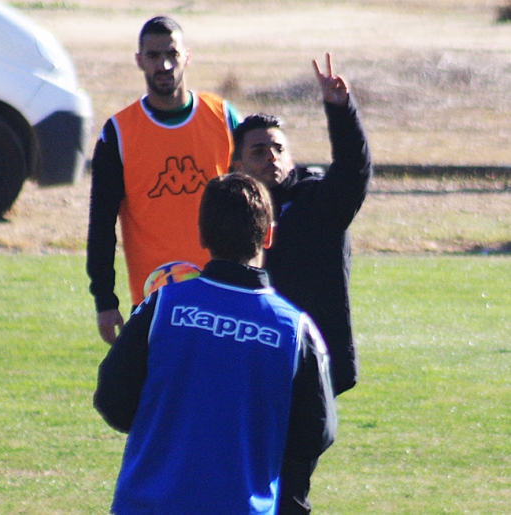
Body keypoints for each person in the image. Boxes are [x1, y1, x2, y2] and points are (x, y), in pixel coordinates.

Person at [94, 173, 337, 514]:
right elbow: (317, 433)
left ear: (202, 234)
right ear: (268, 235)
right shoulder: (296, 329)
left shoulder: (162, 306)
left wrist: (169, 429)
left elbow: (111, 398)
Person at [232, 54, 373, 514]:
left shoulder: (318, 203)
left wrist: (340, 110)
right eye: (258, 150)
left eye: (277, 147)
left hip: (308, 373)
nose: (271, 156)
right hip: (251, 369)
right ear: (236, 164)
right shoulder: (231, 217)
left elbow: (352, 172)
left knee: (289, 492)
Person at [86, 15, 241, 344]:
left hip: (225, 296)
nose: (164, 64)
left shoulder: (224, 119)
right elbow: (101, 224)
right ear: (139, 60)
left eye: (172, 54)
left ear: (187, 56)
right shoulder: (118, 134)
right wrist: (105, 300)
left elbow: (257, 208)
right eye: (154, 56)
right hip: (154, 304)